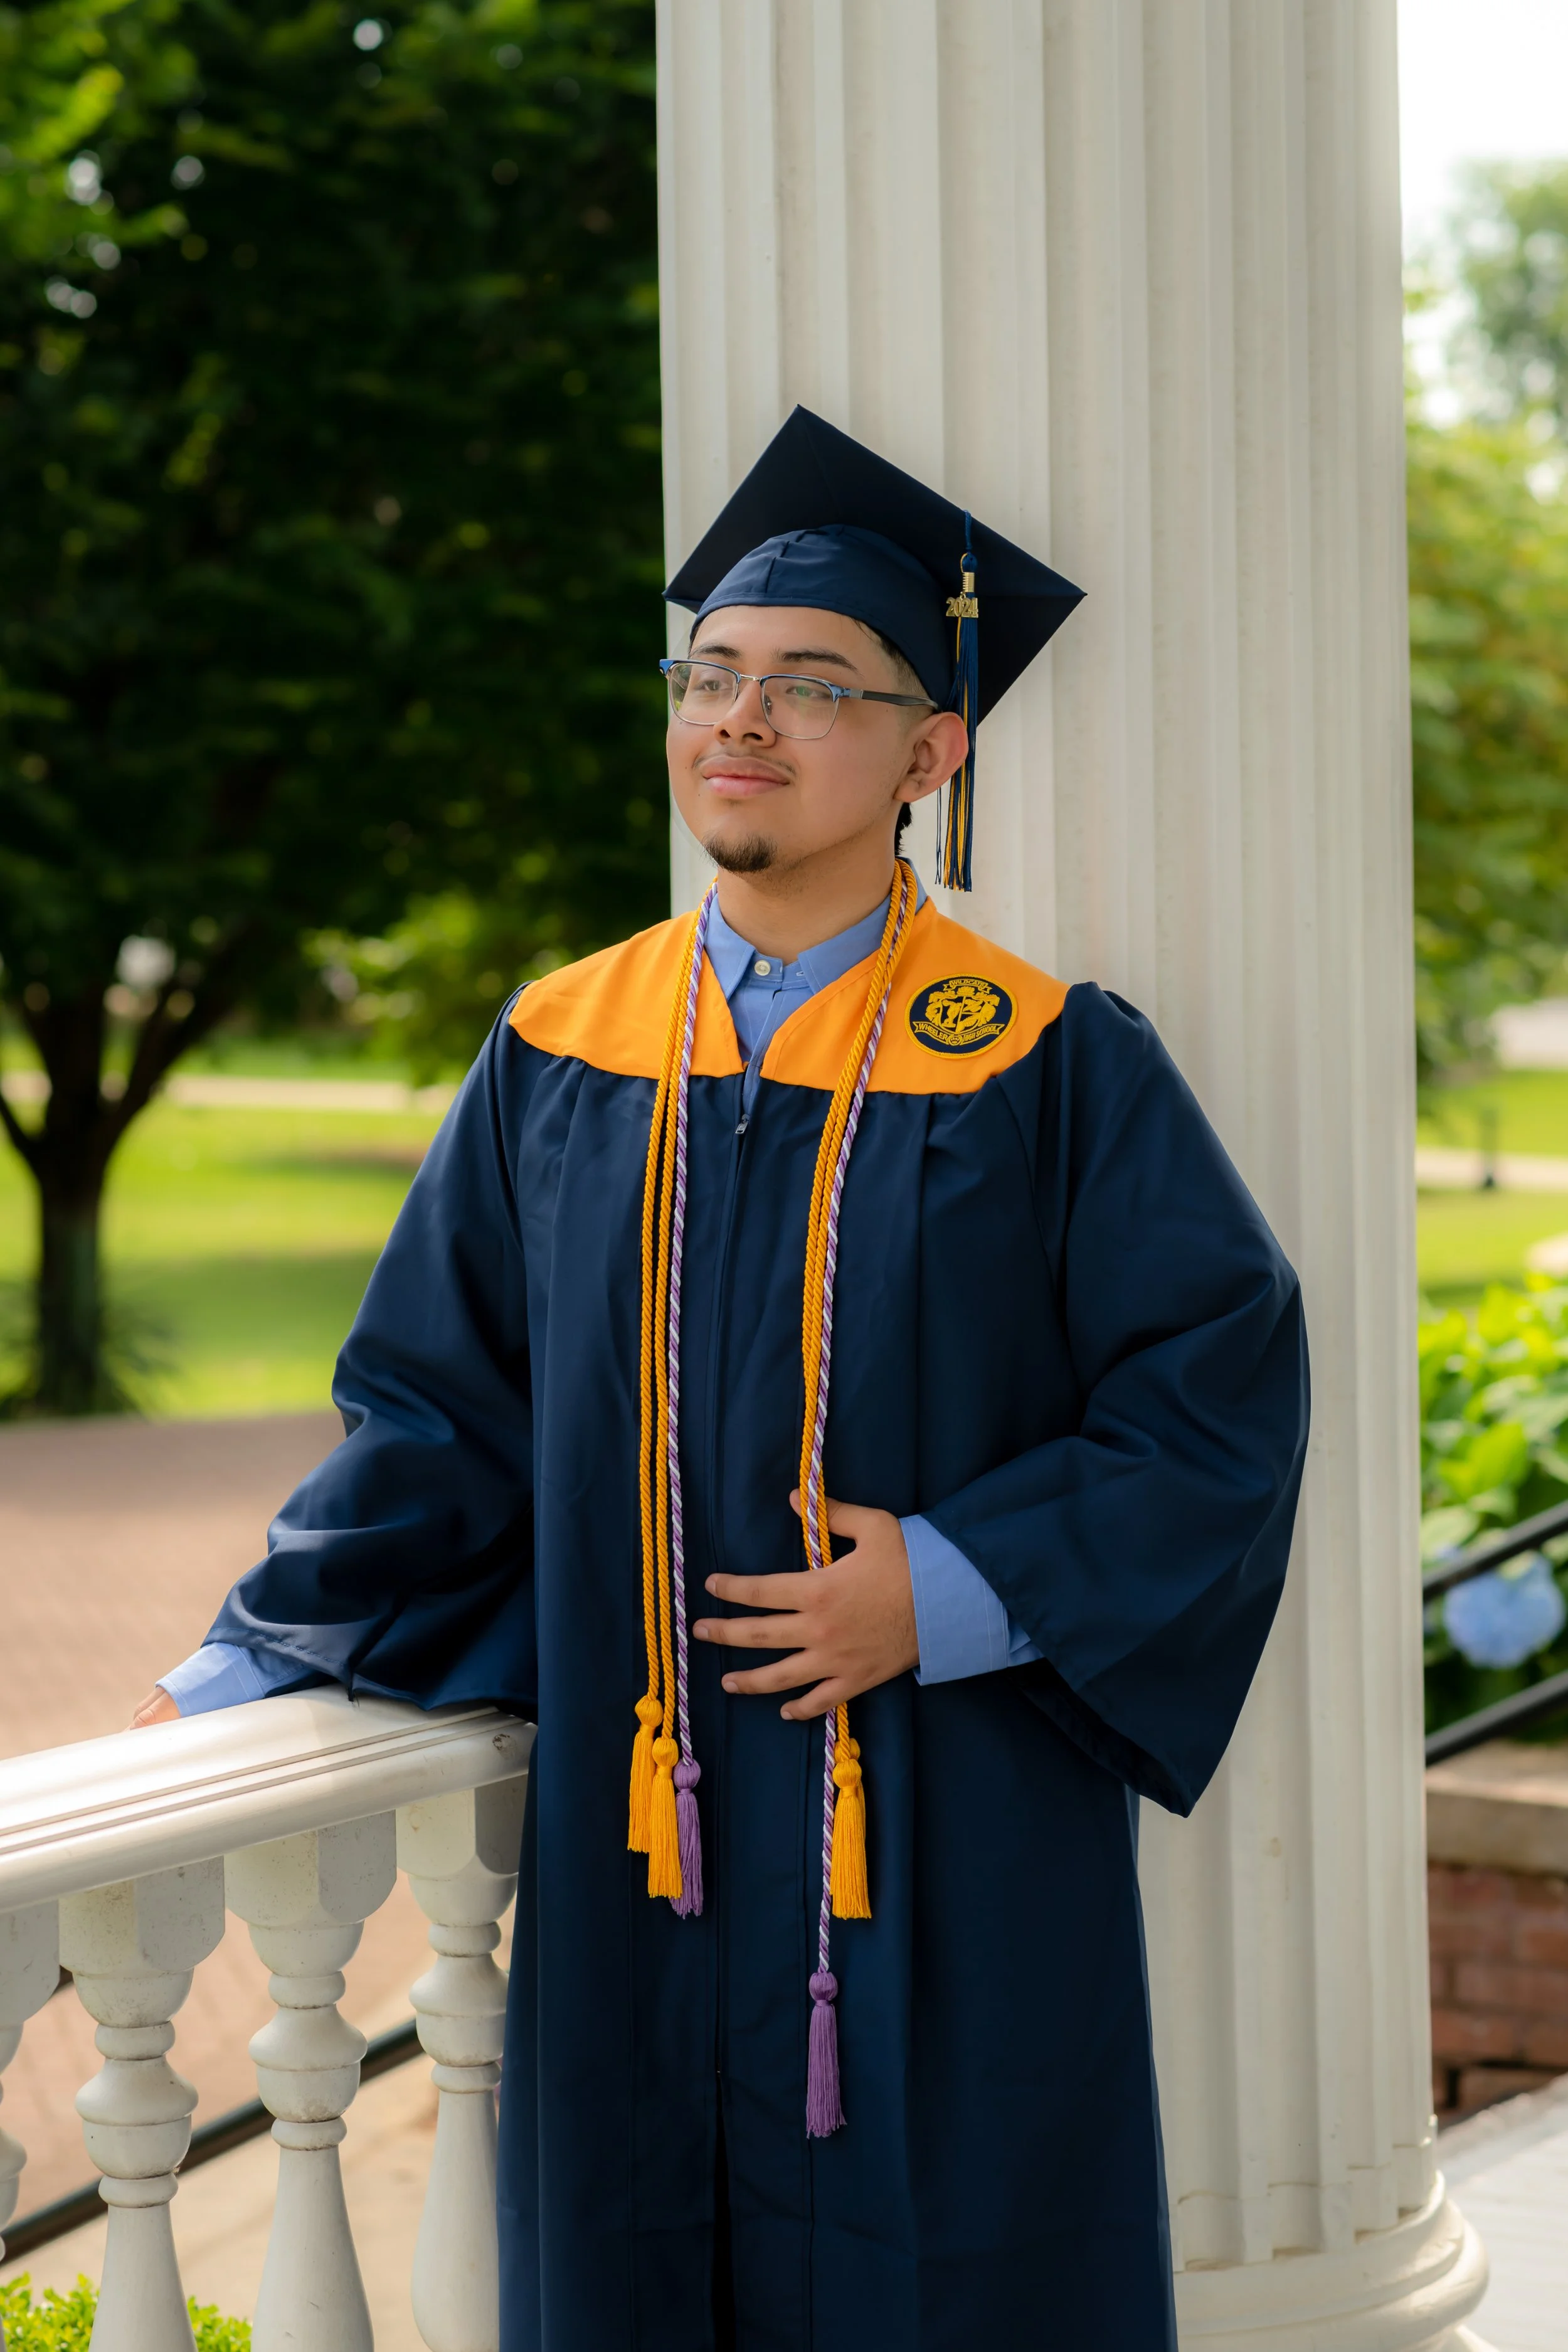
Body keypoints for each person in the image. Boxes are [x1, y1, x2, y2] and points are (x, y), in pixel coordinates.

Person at [137, 408, 1310, 2352]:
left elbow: (1216, 1399)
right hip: (648, 1841)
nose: (740, 722)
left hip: (946, 1831)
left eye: (814, 688)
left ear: (933, 751)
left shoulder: (1042, 1061)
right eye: (712, 676)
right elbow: (441, 1416)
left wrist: (938, 1585)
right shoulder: (560, 1046)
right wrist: (243, 1665)